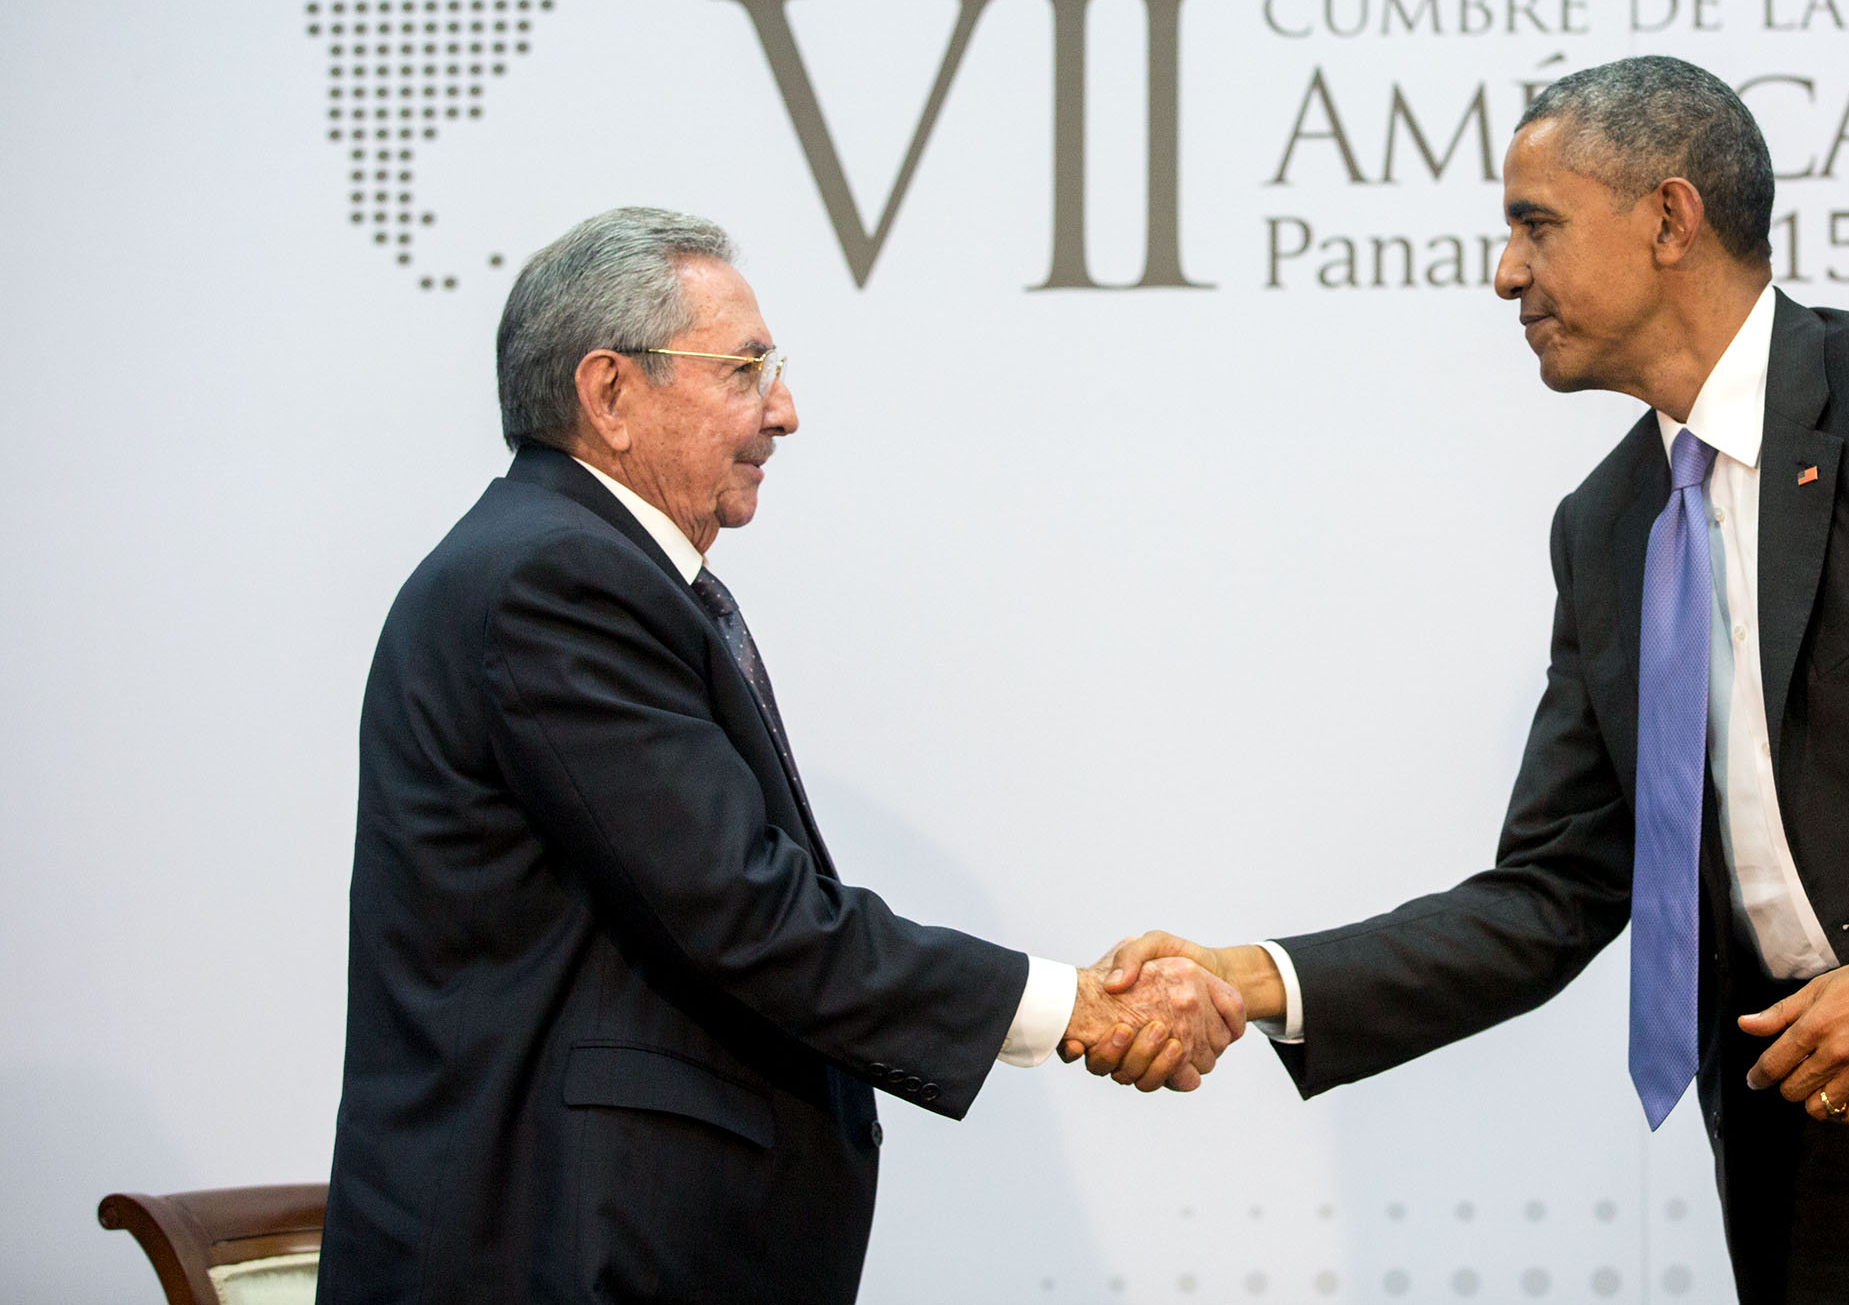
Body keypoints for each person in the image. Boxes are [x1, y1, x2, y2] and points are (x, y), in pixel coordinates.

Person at [1100, 59, 1849, 1305]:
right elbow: (1553, 891)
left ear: (1670, 219)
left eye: (1536, 225)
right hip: (1810, 1161)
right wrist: (1255, 978)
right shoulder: (1608, 523)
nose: (1505, 273)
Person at [317, 208, 1237, 1305]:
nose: (784, 411)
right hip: (557, 1254)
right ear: (609, 393)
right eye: (745, 369)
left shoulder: (582, 570)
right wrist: (1070, 1004)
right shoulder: (549, 584)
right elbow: (744, 912)